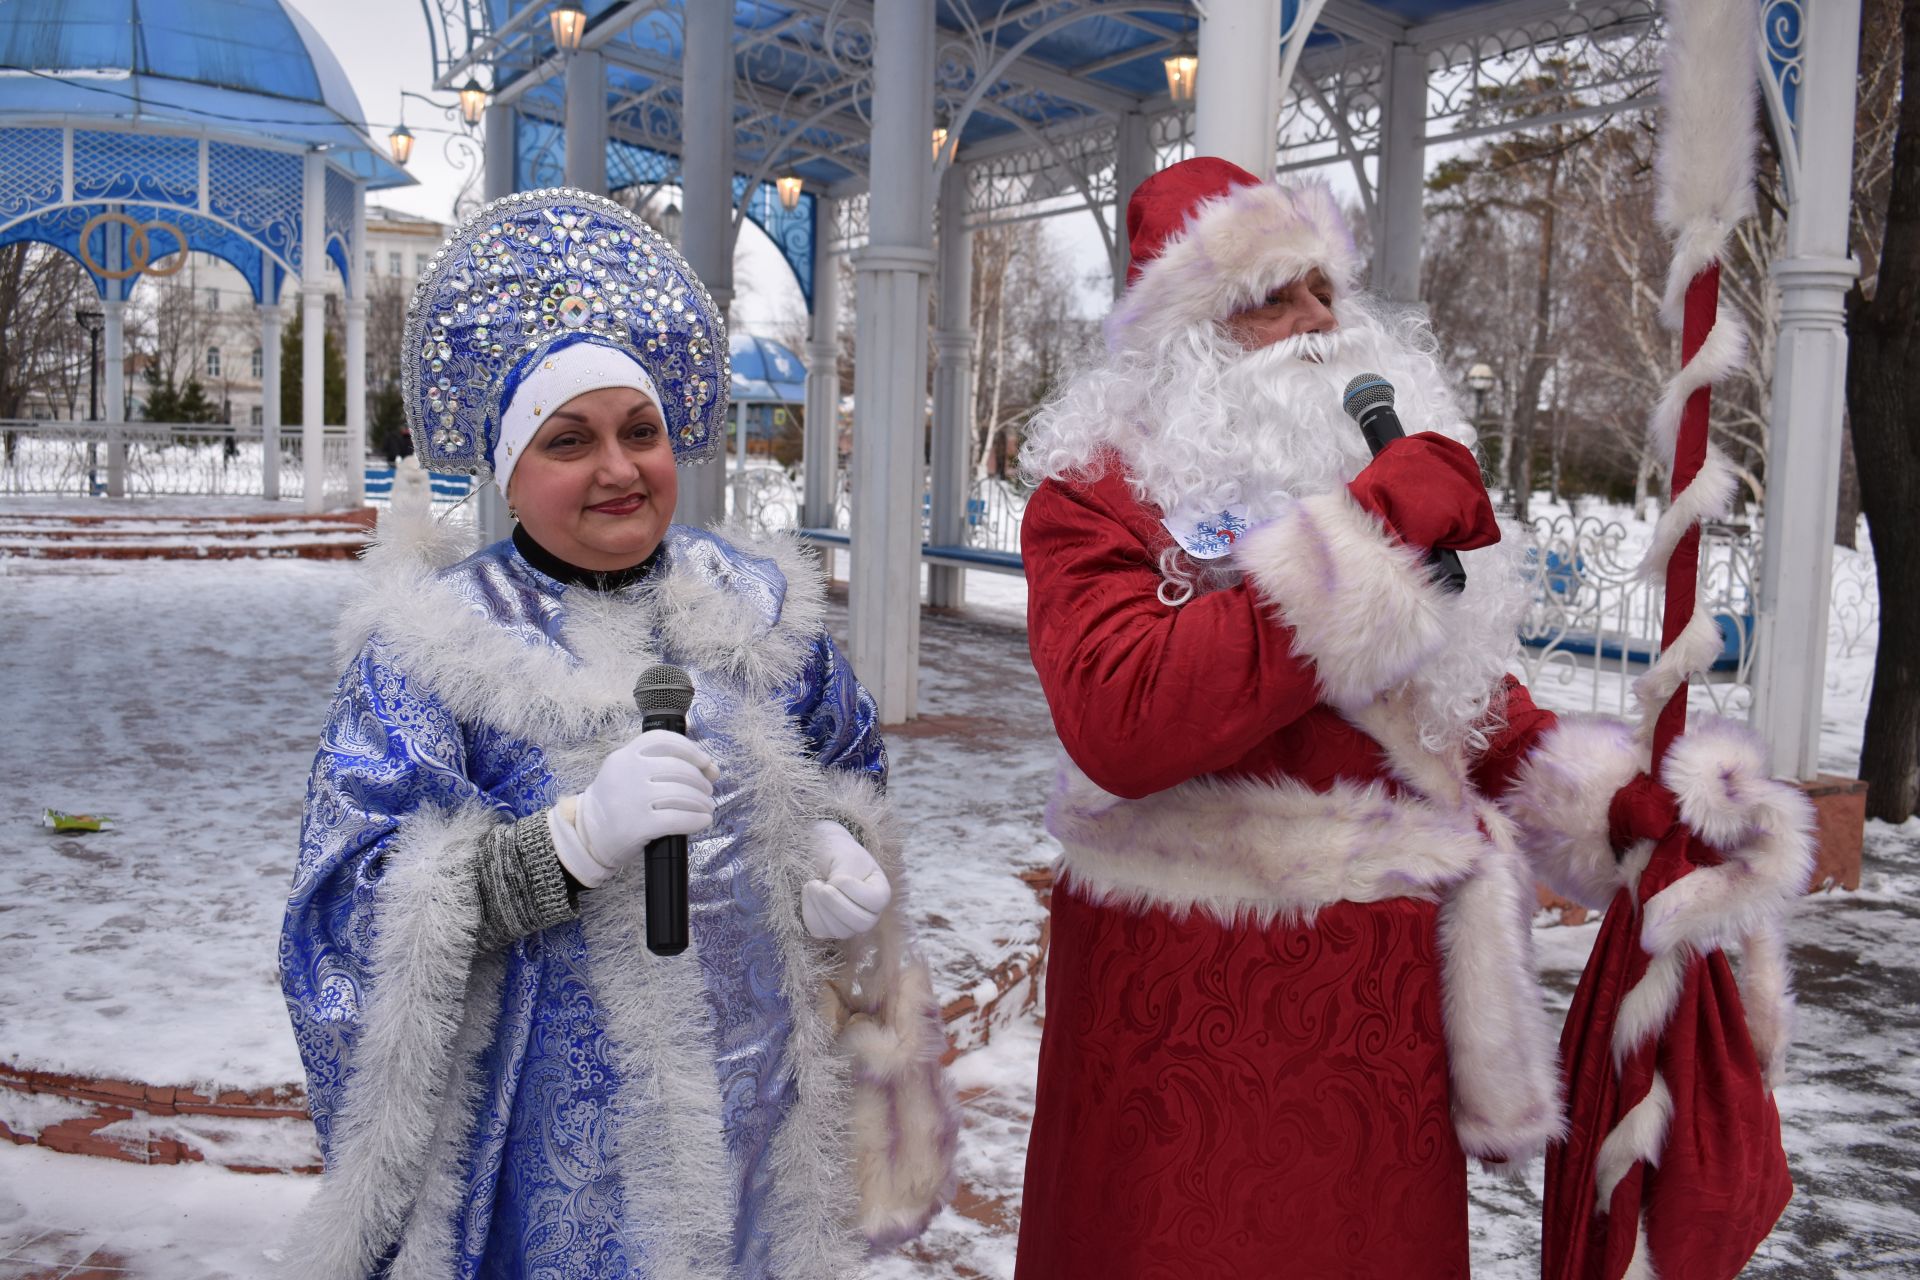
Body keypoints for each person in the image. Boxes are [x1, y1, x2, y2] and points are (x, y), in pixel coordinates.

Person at [280, 189, 954, 1279]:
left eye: (640, 431)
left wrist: (835, 845)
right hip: (551, 1153)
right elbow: (343, 920)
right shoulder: (433, 647)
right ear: (510, 467)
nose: (618, 468)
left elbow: (844, 764)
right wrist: (566, 846)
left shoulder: (758, 609)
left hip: (757, 1114)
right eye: (569, 440)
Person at [1012, 157, 1660, 1276]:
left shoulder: (1364, 474)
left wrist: (1620, 808)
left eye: (1326, 290)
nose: (1320, 320)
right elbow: (1123, 714)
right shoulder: (1096, 499)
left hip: (1381, 1020)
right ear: (1189, 336)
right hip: (1184, 1009)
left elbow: (1463, 720)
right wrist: (1359, 543)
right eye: (1275, 296)